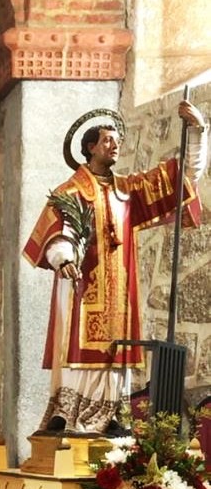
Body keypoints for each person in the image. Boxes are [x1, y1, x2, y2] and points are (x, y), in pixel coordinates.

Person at [23, 100, 207, 435]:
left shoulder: (128, 190)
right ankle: (68, 415)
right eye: (107, 140)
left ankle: (109, 415)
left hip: (119, 293)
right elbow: (58, 234)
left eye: (117, 140)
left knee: (117, 347)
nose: (115, 145)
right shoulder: (71, 191)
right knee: (80, 348)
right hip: (80, 288)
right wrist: (63, 258)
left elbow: (183, 178)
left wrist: (197, 132)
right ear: (90, 147)